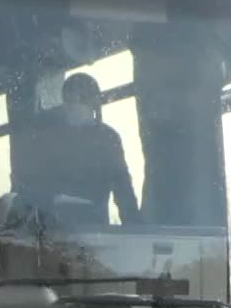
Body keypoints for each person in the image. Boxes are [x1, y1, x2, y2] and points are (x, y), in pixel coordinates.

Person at [18, 73, 141, 228]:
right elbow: (29, 185)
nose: (74, 105)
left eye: (81, 98)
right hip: (50, 232)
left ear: (94, 103)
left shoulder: (107, 138)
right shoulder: (49, 138)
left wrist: (136, 229)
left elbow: (123, 190)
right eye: (69, 99)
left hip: (96, 233)